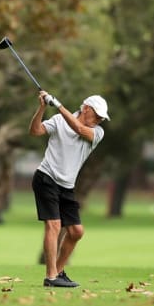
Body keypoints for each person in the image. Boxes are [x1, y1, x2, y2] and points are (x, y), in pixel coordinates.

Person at [29, 91, 109, 288]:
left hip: (66, 186)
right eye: (97, 115)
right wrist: (42, 108)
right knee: (54, 226)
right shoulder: (58, 121)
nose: (99, 120)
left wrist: (58, 105)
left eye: (101, 118)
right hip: (46, 178)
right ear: (86, 108)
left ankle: (58, 271)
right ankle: (51, 277)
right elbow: (35, 131)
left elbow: (79, 129)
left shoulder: (97, 133)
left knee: (76, 232)